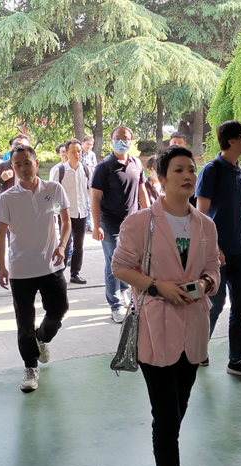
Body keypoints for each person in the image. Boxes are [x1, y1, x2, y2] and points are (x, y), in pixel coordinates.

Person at [112, 146, 220, 466]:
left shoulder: (205, 225)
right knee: (166, 418)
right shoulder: (141, 223)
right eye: (179, 170)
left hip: (192, 332)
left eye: (191, 169)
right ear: (161, 178)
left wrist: (205, 284)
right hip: (155, 331)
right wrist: (158, 287)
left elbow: (212, 269)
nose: (188, 175)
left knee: (175, 416)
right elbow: (120, 267)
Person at [0, 145, 71, 392]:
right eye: (17, 165)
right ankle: (30, 367)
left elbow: (64, 221)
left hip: (51, 265)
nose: (23, 169)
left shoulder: (53, 190)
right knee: (24, 322)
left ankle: (42, 338)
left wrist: (61, 246)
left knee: (59, 310)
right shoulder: (7, 198)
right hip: (21, 270)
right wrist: (1, 267)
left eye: (26, 163)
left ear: (36, 163)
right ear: (12, 168)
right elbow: (0, 234)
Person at [195, 120, 241, 381]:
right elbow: (201, 215)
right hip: (216, 254)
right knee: (214, 305)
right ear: (232, 141)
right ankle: (198, 350)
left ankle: (237, 360)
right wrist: (214, 247)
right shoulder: (211, 171)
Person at [90, 125, 149, 323]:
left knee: (132, 261)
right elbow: (94, 198)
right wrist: (96, 225)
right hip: (109, 223)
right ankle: (115, 305)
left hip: (132, 223)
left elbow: (142, 191)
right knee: (113, 263)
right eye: (117, 137)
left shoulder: (136, 163)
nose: (121, 141)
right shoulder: (104, 167)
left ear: (131, 141)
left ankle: (124, 289)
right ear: (112, 140)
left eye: (125, 138)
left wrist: (150, 215)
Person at [50, 139, 90, 284]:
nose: (77, 154)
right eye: (73, 151)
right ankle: (60, 273)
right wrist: (54, 213)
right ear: (66, 153)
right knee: (65, 243)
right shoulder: (59, 170)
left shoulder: (85, 169)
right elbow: (53, 193)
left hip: (81, 212)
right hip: (65, 213)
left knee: (79, 244)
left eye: (79, 151)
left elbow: (89, 190)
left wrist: (91, 207)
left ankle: (75, 273)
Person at [81, 135, 97, 232]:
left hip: (89, 181)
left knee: (89, 202)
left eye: (91, 145)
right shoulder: (79, 153)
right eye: (87, 144)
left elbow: (95, 166)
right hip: (80, 180)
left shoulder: (92, 155)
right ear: (83, 143)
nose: (89, 146)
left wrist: (92, 168)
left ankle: (88, 224)